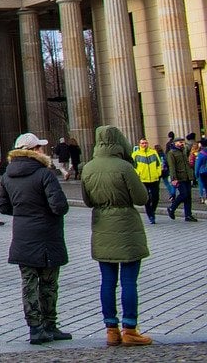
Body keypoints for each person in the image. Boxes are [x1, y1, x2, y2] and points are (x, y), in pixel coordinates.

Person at [81, 125, 154, 346]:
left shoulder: (88, 167)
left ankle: (111, 330)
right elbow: (141, 198)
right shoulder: (124, 167)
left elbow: (87, 201)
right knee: (129, 281)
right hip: (127, 227)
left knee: (107, 282)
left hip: (101, 226)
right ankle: (130, 329)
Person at [0, 133, 70, 344]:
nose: (43, 150)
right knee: (48, 283)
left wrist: (24, 212)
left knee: (28, 283)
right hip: (47, 235)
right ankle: (50, 324)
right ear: (33, 151)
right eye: (40, 147)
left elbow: (3, 206)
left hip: (23, 236)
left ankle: (35, 329)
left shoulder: (8, 176)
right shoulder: (44, 174)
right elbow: (59, 206)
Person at [165, 136, 198, 221]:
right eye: (180, 142)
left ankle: (188, 215)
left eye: (182, 142)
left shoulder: (183, 151)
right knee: (184, 194)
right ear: (175, 143)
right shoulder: (171, 153)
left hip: (187, 176)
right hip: (179, 177)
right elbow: (172, 167)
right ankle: (172, 208)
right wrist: (173, 179)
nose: (182, 143)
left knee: (188, 196)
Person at [131, 138, 163, 225]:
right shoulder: (135, 154)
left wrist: (158, 173)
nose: (144, 145)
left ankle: (152, 211)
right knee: (147, 198)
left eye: (145, 143)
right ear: (139, 144)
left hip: (154, 178)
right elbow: (133, 167)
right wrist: (138, 174)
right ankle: (151, 215)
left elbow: (159, 164)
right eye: (142, 143)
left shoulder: (153, 152)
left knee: (156, 197)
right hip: (143, 179)